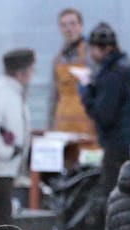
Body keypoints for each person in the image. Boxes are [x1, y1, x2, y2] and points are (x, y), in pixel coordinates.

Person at [79, 21, 130, 228]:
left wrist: (86, 92)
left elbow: (103, 114)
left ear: (105, 49)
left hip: (116, 144)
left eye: (93, 49)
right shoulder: (125, 69)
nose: (90, 53)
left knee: (113, 197)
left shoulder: (111, 76)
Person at [0, 49, 36, 230]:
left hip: (7, 169)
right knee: (0, 223)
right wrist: (7, 153)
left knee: (2, 221)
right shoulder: (1, 93)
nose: (33, 74)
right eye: (31, 70)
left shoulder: (14, 92)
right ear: (20, 72)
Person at [49, 8, 97, 139]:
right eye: (63, 25)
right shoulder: (58, 59)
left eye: (73, 24)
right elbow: (53, 96)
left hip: (87, 125)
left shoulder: (92, 55)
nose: (68, 29)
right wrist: (50, 128)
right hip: (63, 126)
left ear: (81, 26)